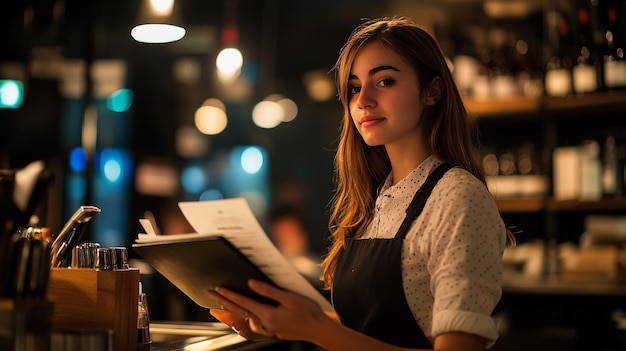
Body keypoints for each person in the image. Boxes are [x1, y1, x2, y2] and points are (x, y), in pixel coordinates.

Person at [209, 16, 514, 351]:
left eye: (384, 82)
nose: (363, 100)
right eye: (354, 88)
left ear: (433, 92)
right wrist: (281, 322)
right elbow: (365, 328)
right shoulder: (376, 198)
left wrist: (314, 329)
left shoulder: (457, 197)